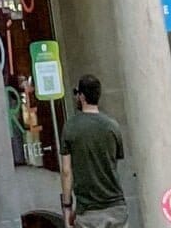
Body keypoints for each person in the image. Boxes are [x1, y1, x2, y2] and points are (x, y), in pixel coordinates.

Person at [60, 73, 129, 228]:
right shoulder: (113, 126)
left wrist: (67, 207)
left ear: (82, 96)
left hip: (88, 211)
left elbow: (66, 171)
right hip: (116, 206)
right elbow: (114, 163)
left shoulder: (70, 127)